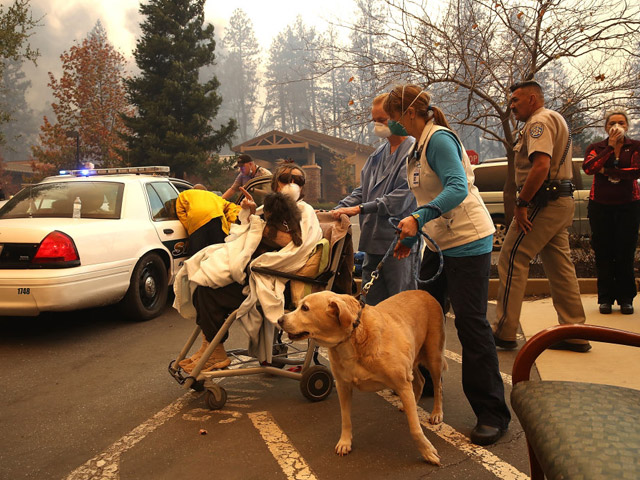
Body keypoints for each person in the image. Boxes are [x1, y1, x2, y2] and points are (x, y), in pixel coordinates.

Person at [384, 84, 511, 446]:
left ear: (409, 113)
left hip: (469, 242)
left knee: (471, 326)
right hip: (439, 243)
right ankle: (425, 384)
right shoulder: (417, 147)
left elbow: (456, 188)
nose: (389, 125)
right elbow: (428, 196)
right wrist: (411, 235)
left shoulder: (438, 140)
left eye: (391, 117)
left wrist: (419, 216)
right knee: (421, 313)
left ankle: (492, 413)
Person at [174, 162, 322, 373]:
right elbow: (240, 235)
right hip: (252, 271)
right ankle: (210, 347)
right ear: (276, 184)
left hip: (275, 278)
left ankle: (214, 351)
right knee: (200, 277)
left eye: (297, 180)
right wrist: (252, 214)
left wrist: (259, 226)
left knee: (209, 291)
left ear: (303, 186)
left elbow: (296, 248)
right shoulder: (267, 208)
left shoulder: (304, 211)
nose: (292, 183)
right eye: (286, 179)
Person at [493, 80, 589, 352]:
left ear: (533, 99)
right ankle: (575, 331)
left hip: (542, 201)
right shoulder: (555, 118)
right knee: (560, 266)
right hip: (560, 201)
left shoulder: (539, 122)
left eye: (516, 100)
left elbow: (541, 166)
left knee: (512, 257)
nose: (511, 106)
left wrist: (522, 202)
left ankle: (504, 331)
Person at [332, 93, 418, 305]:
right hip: (372, 243)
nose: (378, 125)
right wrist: (336, 210)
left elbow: (400, 198)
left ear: (399, 117)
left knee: (401, 306)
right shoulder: (377, 155)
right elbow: (363, 190)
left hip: (399, 243)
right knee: (370, 307)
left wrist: (360, 209)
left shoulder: (415, 151)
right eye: (375, 120)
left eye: (382, 119)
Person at [582, 109, 640, 315]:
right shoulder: (596, 147)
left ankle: (626, 298)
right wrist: (610, 148)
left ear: (627, 126)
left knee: (625, 252)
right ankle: (605, 298)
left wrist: (607, 171)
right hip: (600, 205)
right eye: (612, 123)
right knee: (603, 253)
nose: (617, 126)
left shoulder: (635, 147)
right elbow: (589, 167)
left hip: (628, 205)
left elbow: (635, 171)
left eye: (621, 123)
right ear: (606, 127)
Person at [176, 183, 241, 256]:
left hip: (197, 220)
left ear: (193, 190)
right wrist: (230, 223)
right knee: (217, 251)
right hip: (215, 219)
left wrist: (189, 227)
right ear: (206, 191)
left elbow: (180, 212)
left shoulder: (184, 194)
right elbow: (232, 207)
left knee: (197, 255)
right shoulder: (214, 196)